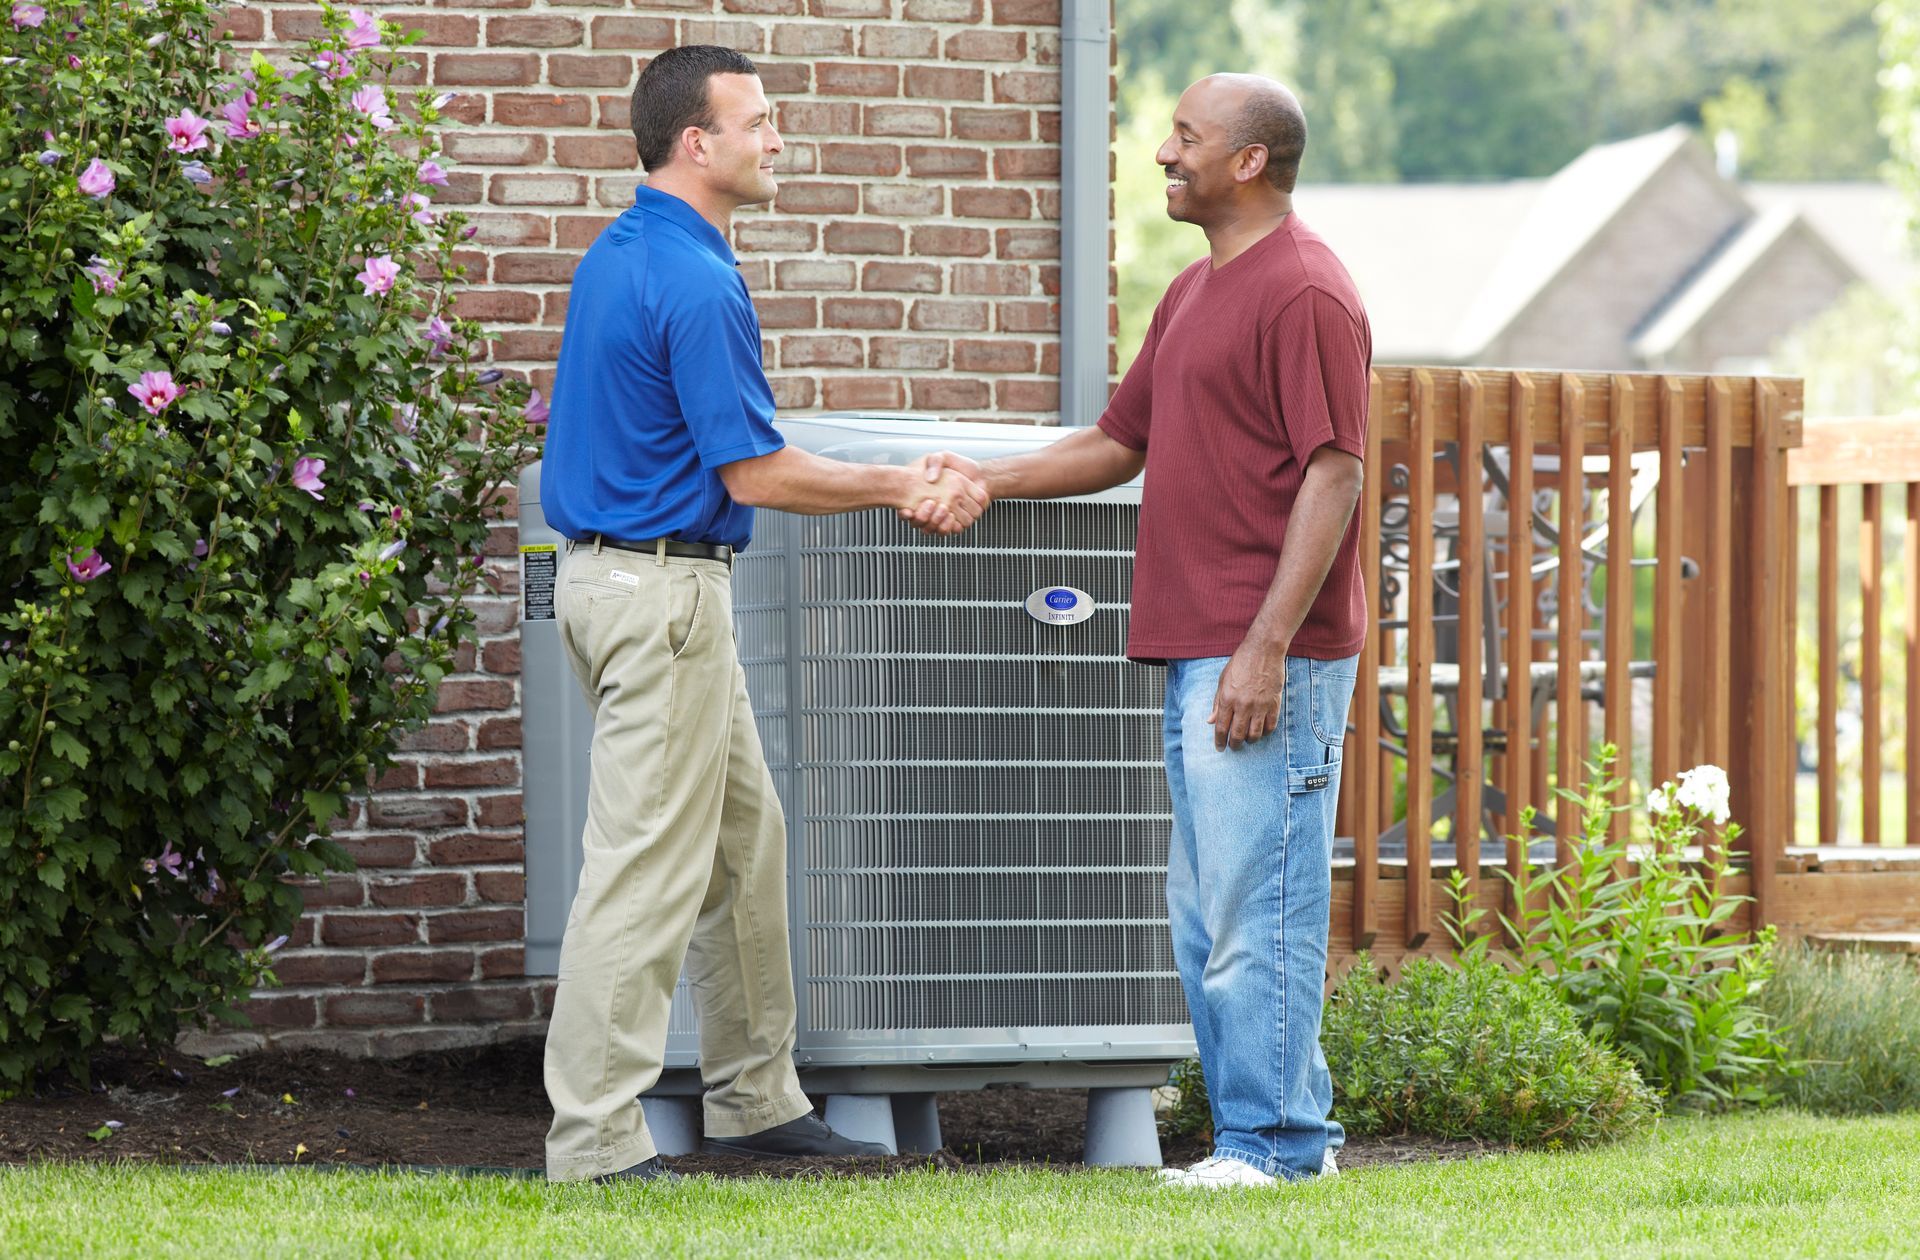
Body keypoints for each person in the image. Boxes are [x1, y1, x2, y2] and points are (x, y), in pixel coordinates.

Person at [538, 44, 991, 1184]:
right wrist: (901, 484)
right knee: (646, 869)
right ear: (700, 142)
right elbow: (756, 472)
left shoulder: (627, 251)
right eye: (761, 122)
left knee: (745, 848)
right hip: (665, 597)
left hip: (629, 586)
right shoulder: (694, 277)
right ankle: (592, 1140)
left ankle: (755, 1102)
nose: (778, 139)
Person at [913, 73, 1370, 1189]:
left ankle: (1272, 1149)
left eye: (1185, 137)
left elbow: (1336, 470)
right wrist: (989, 477)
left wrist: (1266, 645)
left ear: (1250, 160)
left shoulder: (1304, 289)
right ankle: (1267, 1136)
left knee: (1257, 904)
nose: (1164, 153)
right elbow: (1120, 444)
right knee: (1209, 912)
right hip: (1195, 646)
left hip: (1267, 655)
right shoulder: (1197, 291)